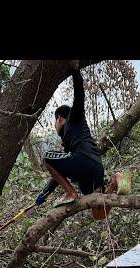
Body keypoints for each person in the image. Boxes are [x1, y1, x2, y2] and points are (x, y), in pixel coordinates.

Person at [35, 68, 128, 219]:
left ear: (59, 118)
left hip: (82, 161)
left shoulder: (74, 117)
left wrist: (75, 70)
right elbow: (60, 172)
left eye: (55, 122)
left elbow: (79, 95)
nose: (55, 126)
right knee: (99, 214)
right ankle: (116, 181)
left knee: (47, 158)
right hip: (95, 170)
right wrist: (45, 193)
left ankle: (71, 193)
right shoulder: (71, 138)